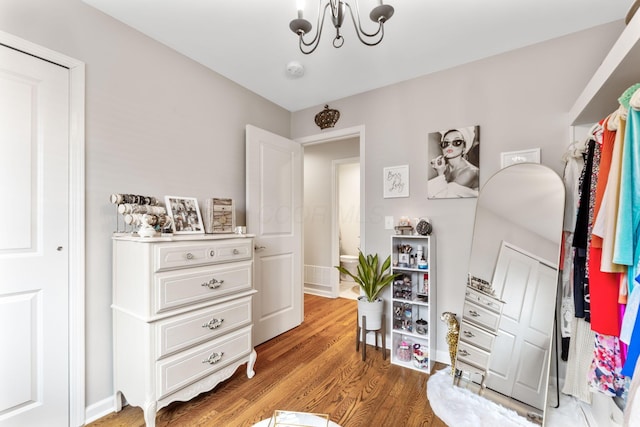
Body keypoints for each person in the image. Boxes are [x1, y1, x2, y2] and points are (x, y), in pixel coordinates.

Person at [428, 127, 479, 198]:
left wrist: (440, 174)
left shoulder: (470, 172)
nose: (450, 146)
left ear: (464, 148)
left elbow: (444, 198)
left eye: (456, 142)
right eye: (446, 143)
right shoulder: (444, 168)